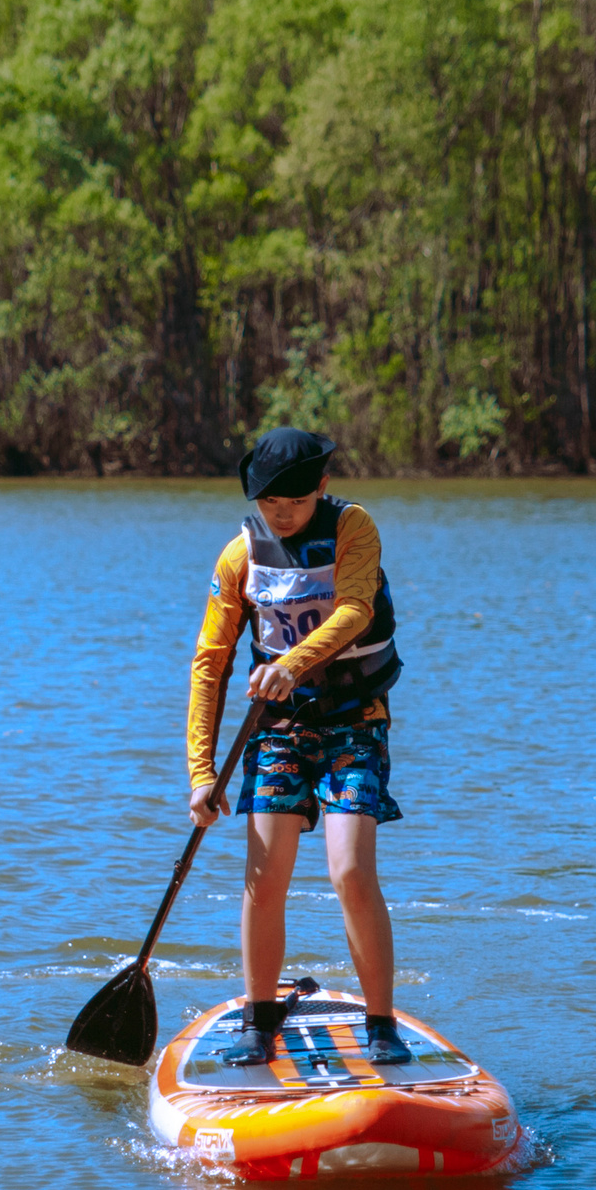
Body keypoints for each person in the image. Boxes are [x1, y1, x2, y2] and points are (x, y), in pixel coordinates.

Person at [185, 426, 411, 1067]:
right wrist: (202, 775)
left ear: (322, 485)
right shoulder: (239, 558)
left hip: (353, 720)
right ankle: (258, 1020)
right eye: (267, 503)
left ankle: (381, 1024)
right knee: (265, 875)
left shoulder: (352, 528)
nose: (279, 514)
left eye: (293, 501)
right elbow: (210, 663)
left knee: (349, 872)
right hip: (279, 727)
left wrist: (292, 663)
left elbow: (357, 610)